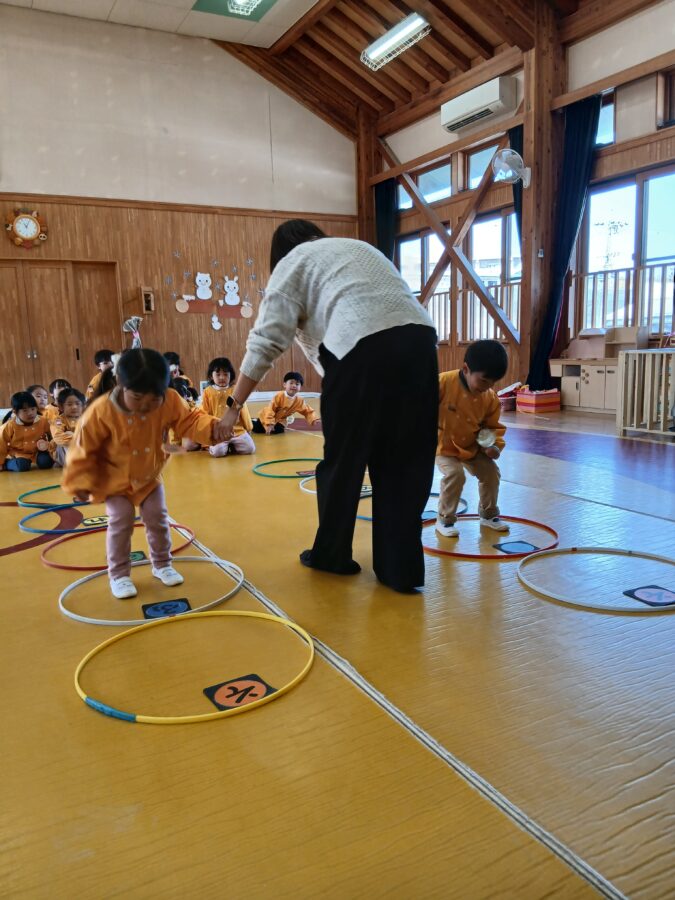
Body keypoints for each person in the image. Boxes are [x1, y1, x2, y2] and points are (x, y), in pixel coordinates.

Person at [217, 219, 438, 594]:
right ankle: (400, 569)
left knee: (343, 461)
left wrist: (233, 405)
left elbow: (266, 341)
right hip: (420, 343)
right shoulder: (359, 248)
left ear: (279, 253)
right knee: (405, 462)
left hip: (361, 351)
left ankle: (331, 554)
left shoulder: (293, 261)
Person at [62, 348, 222, 600]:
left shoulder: (170, 400)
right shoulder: (101, 411)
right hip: (114, 480)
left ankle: (162, 564)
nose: (146, 405)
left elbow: (190, 421)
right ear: (120, 383)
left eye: (154, 398)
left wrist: (214, 428)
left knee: (158, 517)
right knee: (121, 520)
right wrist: (80, 481)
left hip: (149, 476)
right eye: (137, 397)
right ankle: (119, 574)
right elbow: (82, 450)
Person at [435, 340, 509, 538]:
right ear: (466, 369)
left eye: (493, 383)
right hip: (444, 447)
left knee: (491, 473)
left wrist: (492, 446)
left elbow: (490, 427)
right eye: (484, 381)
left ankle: (488, 514)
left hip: (472, 448)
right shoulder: (443, 383)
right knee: (455, 475)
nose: (488, 387)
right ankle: (445, 519)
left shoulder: (490, 398)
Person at [199, 357, 255, 456]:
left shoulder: (236, 390)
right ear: (211, 376)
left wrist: (249, 428)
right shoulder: (208, 392)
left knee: (250, 448)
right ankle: (224, 446)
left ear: (231, 375)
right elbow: (205, 413)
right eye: (218, 374)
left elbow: (243, 410)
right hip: (219, 432)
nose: (222, 377)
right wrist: (206, 437)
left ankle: (232, 446)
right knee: (218, 452)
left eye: (225, 374)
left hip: (237, 430)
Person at [0, 391, 53, 471]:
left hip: (38, 452)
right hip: (18, 454)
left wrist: (50, 446)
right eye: (25, 410)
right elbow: (1, 444)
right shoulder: (10, 426)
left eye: (33, 409)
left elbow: (52, 435)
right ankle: (6, 464)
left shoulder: (43, 421)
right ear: (15, 412)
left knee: (46, 462)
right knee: (22, 466)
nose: (30, 413)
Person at [252, 371, 319, 434]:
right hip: (266, 416)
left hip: (280, 420)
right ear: (284, 385)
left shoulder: (299, 401)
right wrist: (269, 423)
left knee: (278, 430)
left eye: (297, 384)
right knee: (257, 429)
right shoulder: (279, 396)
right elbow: (270, 409)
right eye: (291, 383)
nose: (294, 385)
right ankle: (251, 422)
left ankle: (269, 427)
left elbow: (307, 410)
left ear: (300, 387)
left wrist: (312, 418)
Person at [50, 388, 85, 467]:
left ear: (82, 405)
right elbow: (58, 437)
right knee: (68, 434)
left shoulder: (87, 418)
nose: (74, 407)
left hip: (83, 449)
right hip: (63, 452)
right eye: (69, 404)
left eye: (77, 403)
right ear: (61, 407)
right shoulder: (58, 420)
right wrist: (80, 439)